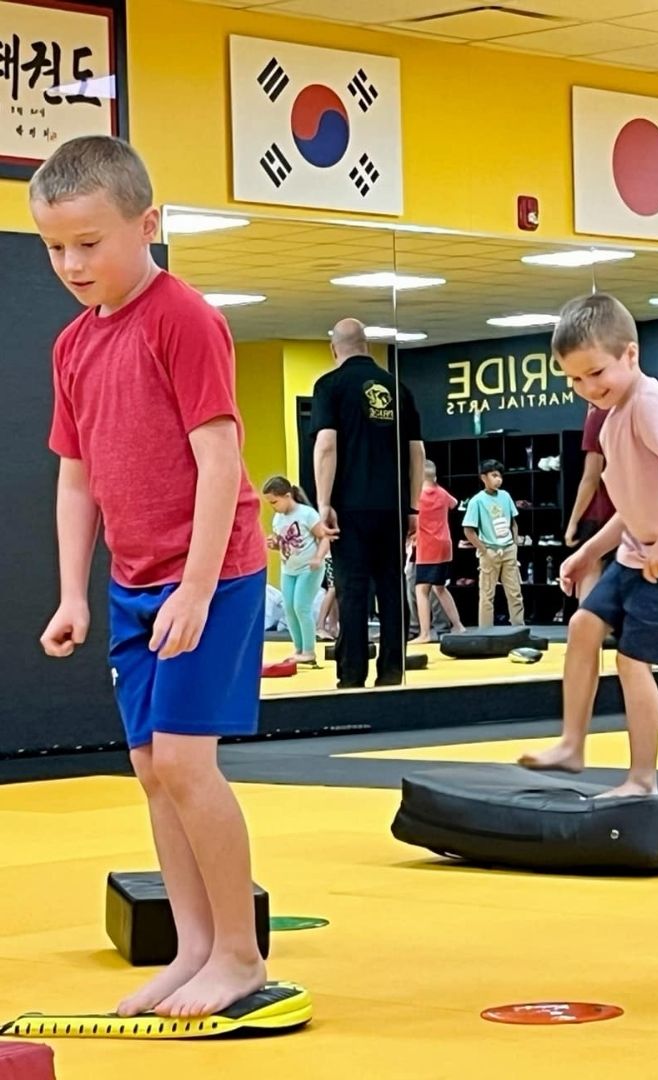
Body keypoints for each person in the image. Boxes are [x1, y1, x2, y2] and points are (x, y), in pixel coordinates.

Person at [33, 135, 268, 1018]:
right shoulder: (70, 346)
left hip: (214, 574)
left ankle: (240, 955)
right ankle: (194, 946)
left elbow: (219, 460)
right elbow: (77, 473)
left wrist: (200, 588)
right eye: (56, 247)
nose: (71, 263)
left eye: (90, 243)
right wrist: (70, 593)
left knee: (185, 762)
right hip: (135, 583)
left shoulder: (183, 317)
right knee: (149, 766)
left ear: (149, 225)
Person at [520, 294, 658, 796]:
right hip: (639, 548)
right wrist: (588, 552)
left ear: (630, 356)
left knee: (633, 661)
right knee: (583, 625)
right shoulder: (610, 419)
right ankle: (572, 745)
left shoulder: (649, 403)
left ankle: (642, 779)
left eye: (596, 373)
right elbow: (630, 503)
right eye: (574, 379)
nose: (588, 388)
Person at [312, 318, 424, 688]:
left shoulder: (330, 386)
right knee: (392, 589)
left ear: (334, 350)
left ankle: (352, 673)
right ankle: (393, 670)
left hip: (351, 507)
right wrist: (412, 508)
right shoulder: (399, 389)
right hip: (391, 506)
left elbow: (327, 445)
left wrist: (324, 503)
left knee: (353, 590)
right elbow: (417, 453)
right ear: (368, 346)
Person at [262, 476, 332, 666]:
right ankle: (299, 649)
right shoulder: (278, 518)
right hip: (289, 569)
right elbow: (283, 543)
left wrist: (318, 557)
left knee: (302, 606)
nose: (272, 506)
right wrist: (274, 544)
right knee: (289, 608)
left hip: (309, 568)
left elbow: (324, 537)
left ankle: (309, 650)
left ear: (287, 495)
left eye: (274, 501)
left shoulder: (307, 514)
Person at [462, 461, 525, 628]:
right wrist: (484, 550)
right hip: (489, 550)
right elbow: (468, 530)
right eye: (494, 475)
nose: (499, 480)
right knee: (487, 595)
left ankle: (519, 628)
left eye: (500, 476)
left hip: (508, 549)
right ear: (484, 477)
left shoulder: (505, 496)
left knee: (515, 593)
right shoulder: (477, 501)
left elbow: (513, 522)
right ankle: (485, 632)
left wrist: (514, 545)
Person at [564, 403, 615, 600]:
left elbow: (591, 478)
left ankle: (587, 627)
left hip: (602, 512)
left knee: (589, 570)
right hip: (635, 509)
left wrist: (573, 522)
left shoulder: (598, 416)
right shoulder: (643, 407)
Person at [414, 460, 465, 642]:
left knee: (421, 589)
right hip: (445, 545)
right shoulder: (442, 493)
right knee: (440, 587)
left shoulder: (418, 496)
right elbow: (455, 504)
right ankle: (458, 625)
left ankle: (425, 633)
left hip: (427, 547)